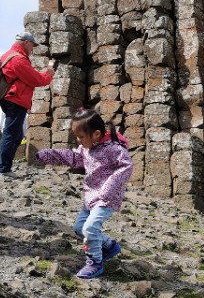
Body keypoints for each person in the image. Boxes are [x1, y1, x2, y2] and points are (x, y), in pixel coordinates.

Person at [35, 108, 132, 279]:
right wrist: (48, 155)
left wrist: (109, 188)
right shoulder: (86, 149)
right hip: (90, 196)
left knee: (89, 228)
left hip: (106, 198)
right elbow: (70, 157)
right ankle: (109, 246)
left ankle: (95, 263)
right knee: (79, 228)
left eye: (80, 137)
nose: (78, 140)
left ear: (95, 134)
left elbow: (126, 166)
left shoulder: (114, 149)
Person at [0, 32, 54, 177]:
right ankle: (2, 168)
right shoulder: (18, 59)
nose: (33, 48)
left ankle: (4, 166)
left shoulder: (7, 55)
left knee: (16, 134)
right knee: (11, 133)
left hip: (10, 98)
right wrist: (50, 72)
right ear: (25, 42)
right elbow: (36, 79)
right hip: (16, 99)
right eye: (32, 45)